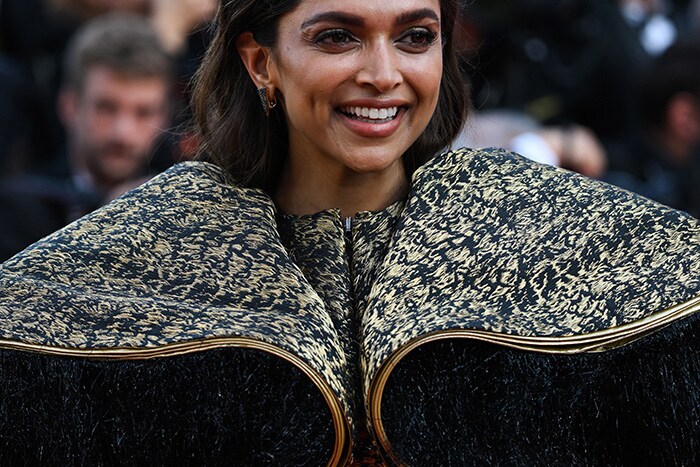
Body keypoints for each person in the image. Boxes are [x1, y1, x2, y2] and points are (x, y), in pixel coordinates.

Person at [0, 1, 699, 466]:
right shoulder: (137, 248)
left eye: (415, 37)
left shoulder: (559, 229)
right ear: (260, 61)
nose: (382, 74)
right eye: (337, 35)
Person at [0, 13, 173, 261]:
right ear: (69, 105)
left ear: (164, 117)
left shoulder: (176, 203)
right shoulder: (17, 210)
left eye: (143, 112)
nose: (122, 133)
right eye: (106, 107)